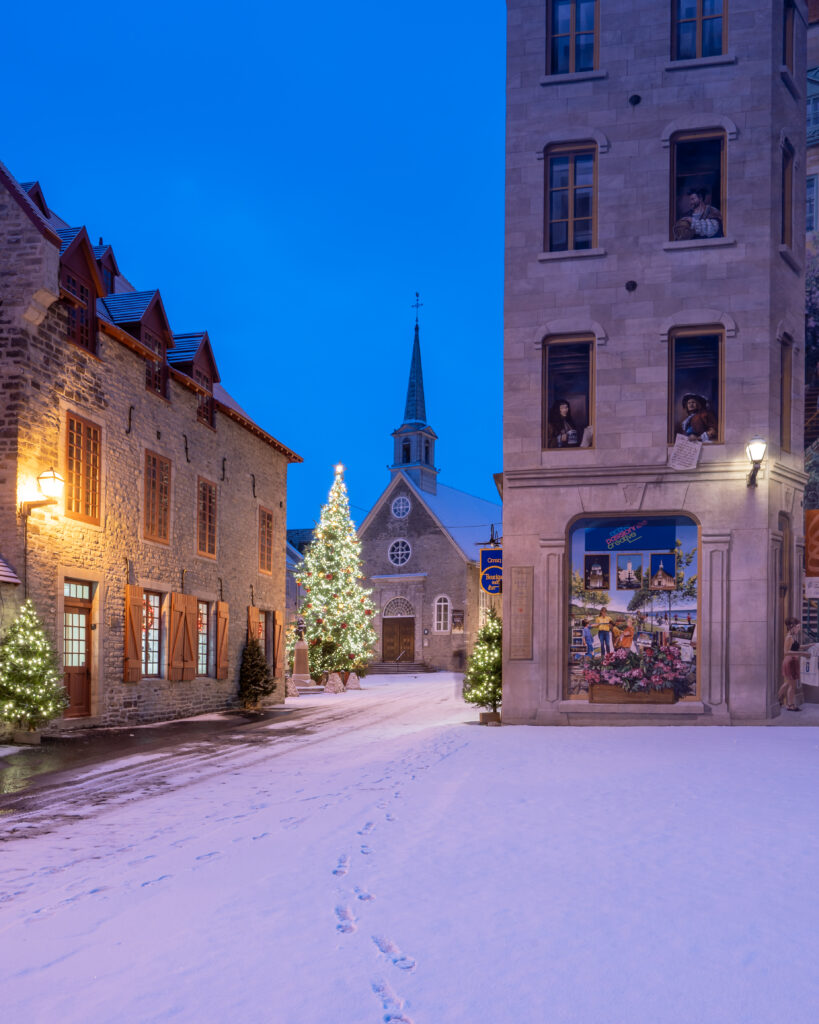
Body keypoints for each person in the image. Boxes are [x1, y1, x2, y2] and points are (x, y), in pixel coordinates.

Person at [777, 617, 810, 711]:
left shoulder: (791, 637)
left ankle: (779, 698)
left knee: (788, 683)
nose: (799, 629)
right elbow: (786, 652)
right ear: (793, 627)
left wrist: (810, 645)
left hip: (792, 661)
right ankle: (790, 705)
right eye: (798, 627)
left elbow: (798, 647)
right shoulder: (789, 638)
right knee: (792, 685)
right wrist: (802, 653)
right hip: (790, 662)